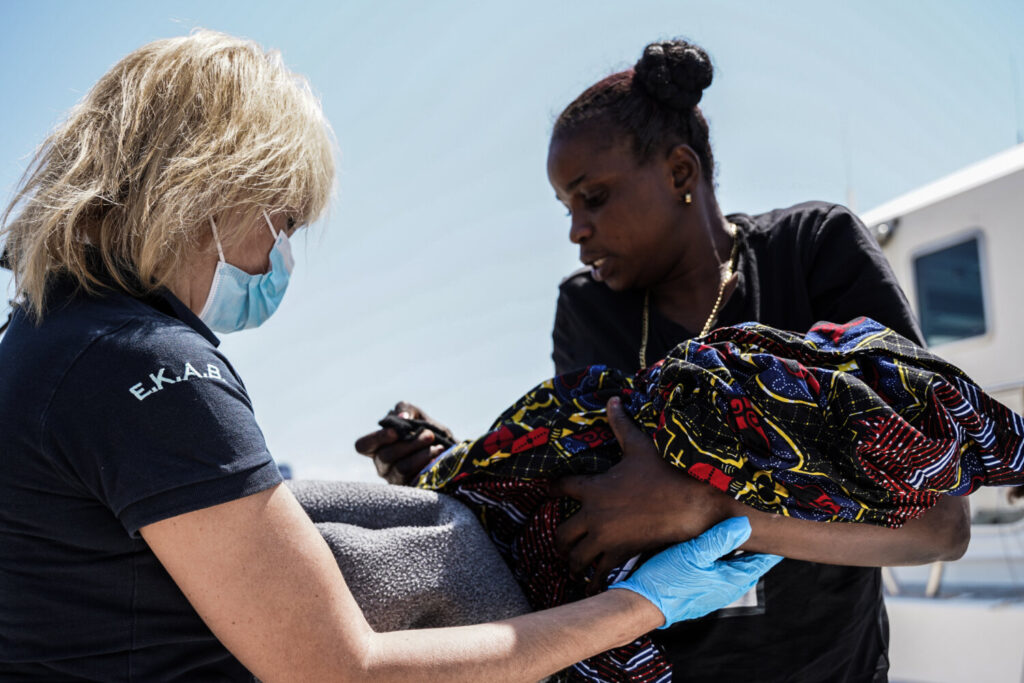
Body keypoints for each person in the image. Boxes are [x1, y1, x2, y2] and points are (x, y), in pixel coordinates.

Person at [0, 31, 782, 682]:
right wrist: (640, 607)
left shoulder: (48, 338)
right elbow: (342, 668)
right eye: (281, 221)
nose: (278, 254)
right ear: (209, 190)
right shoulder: (152, 367)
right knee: (442, 545)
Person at [356, 39, 971, 682]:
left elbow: (939, 524)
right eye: (566, 207)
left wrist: (707, 511)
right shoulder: (589, 311)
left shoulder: (812, 253)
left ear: (680, 173)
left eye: (592, 197)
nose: (575, 231)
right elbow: (588, 497)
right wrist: (466, 465)